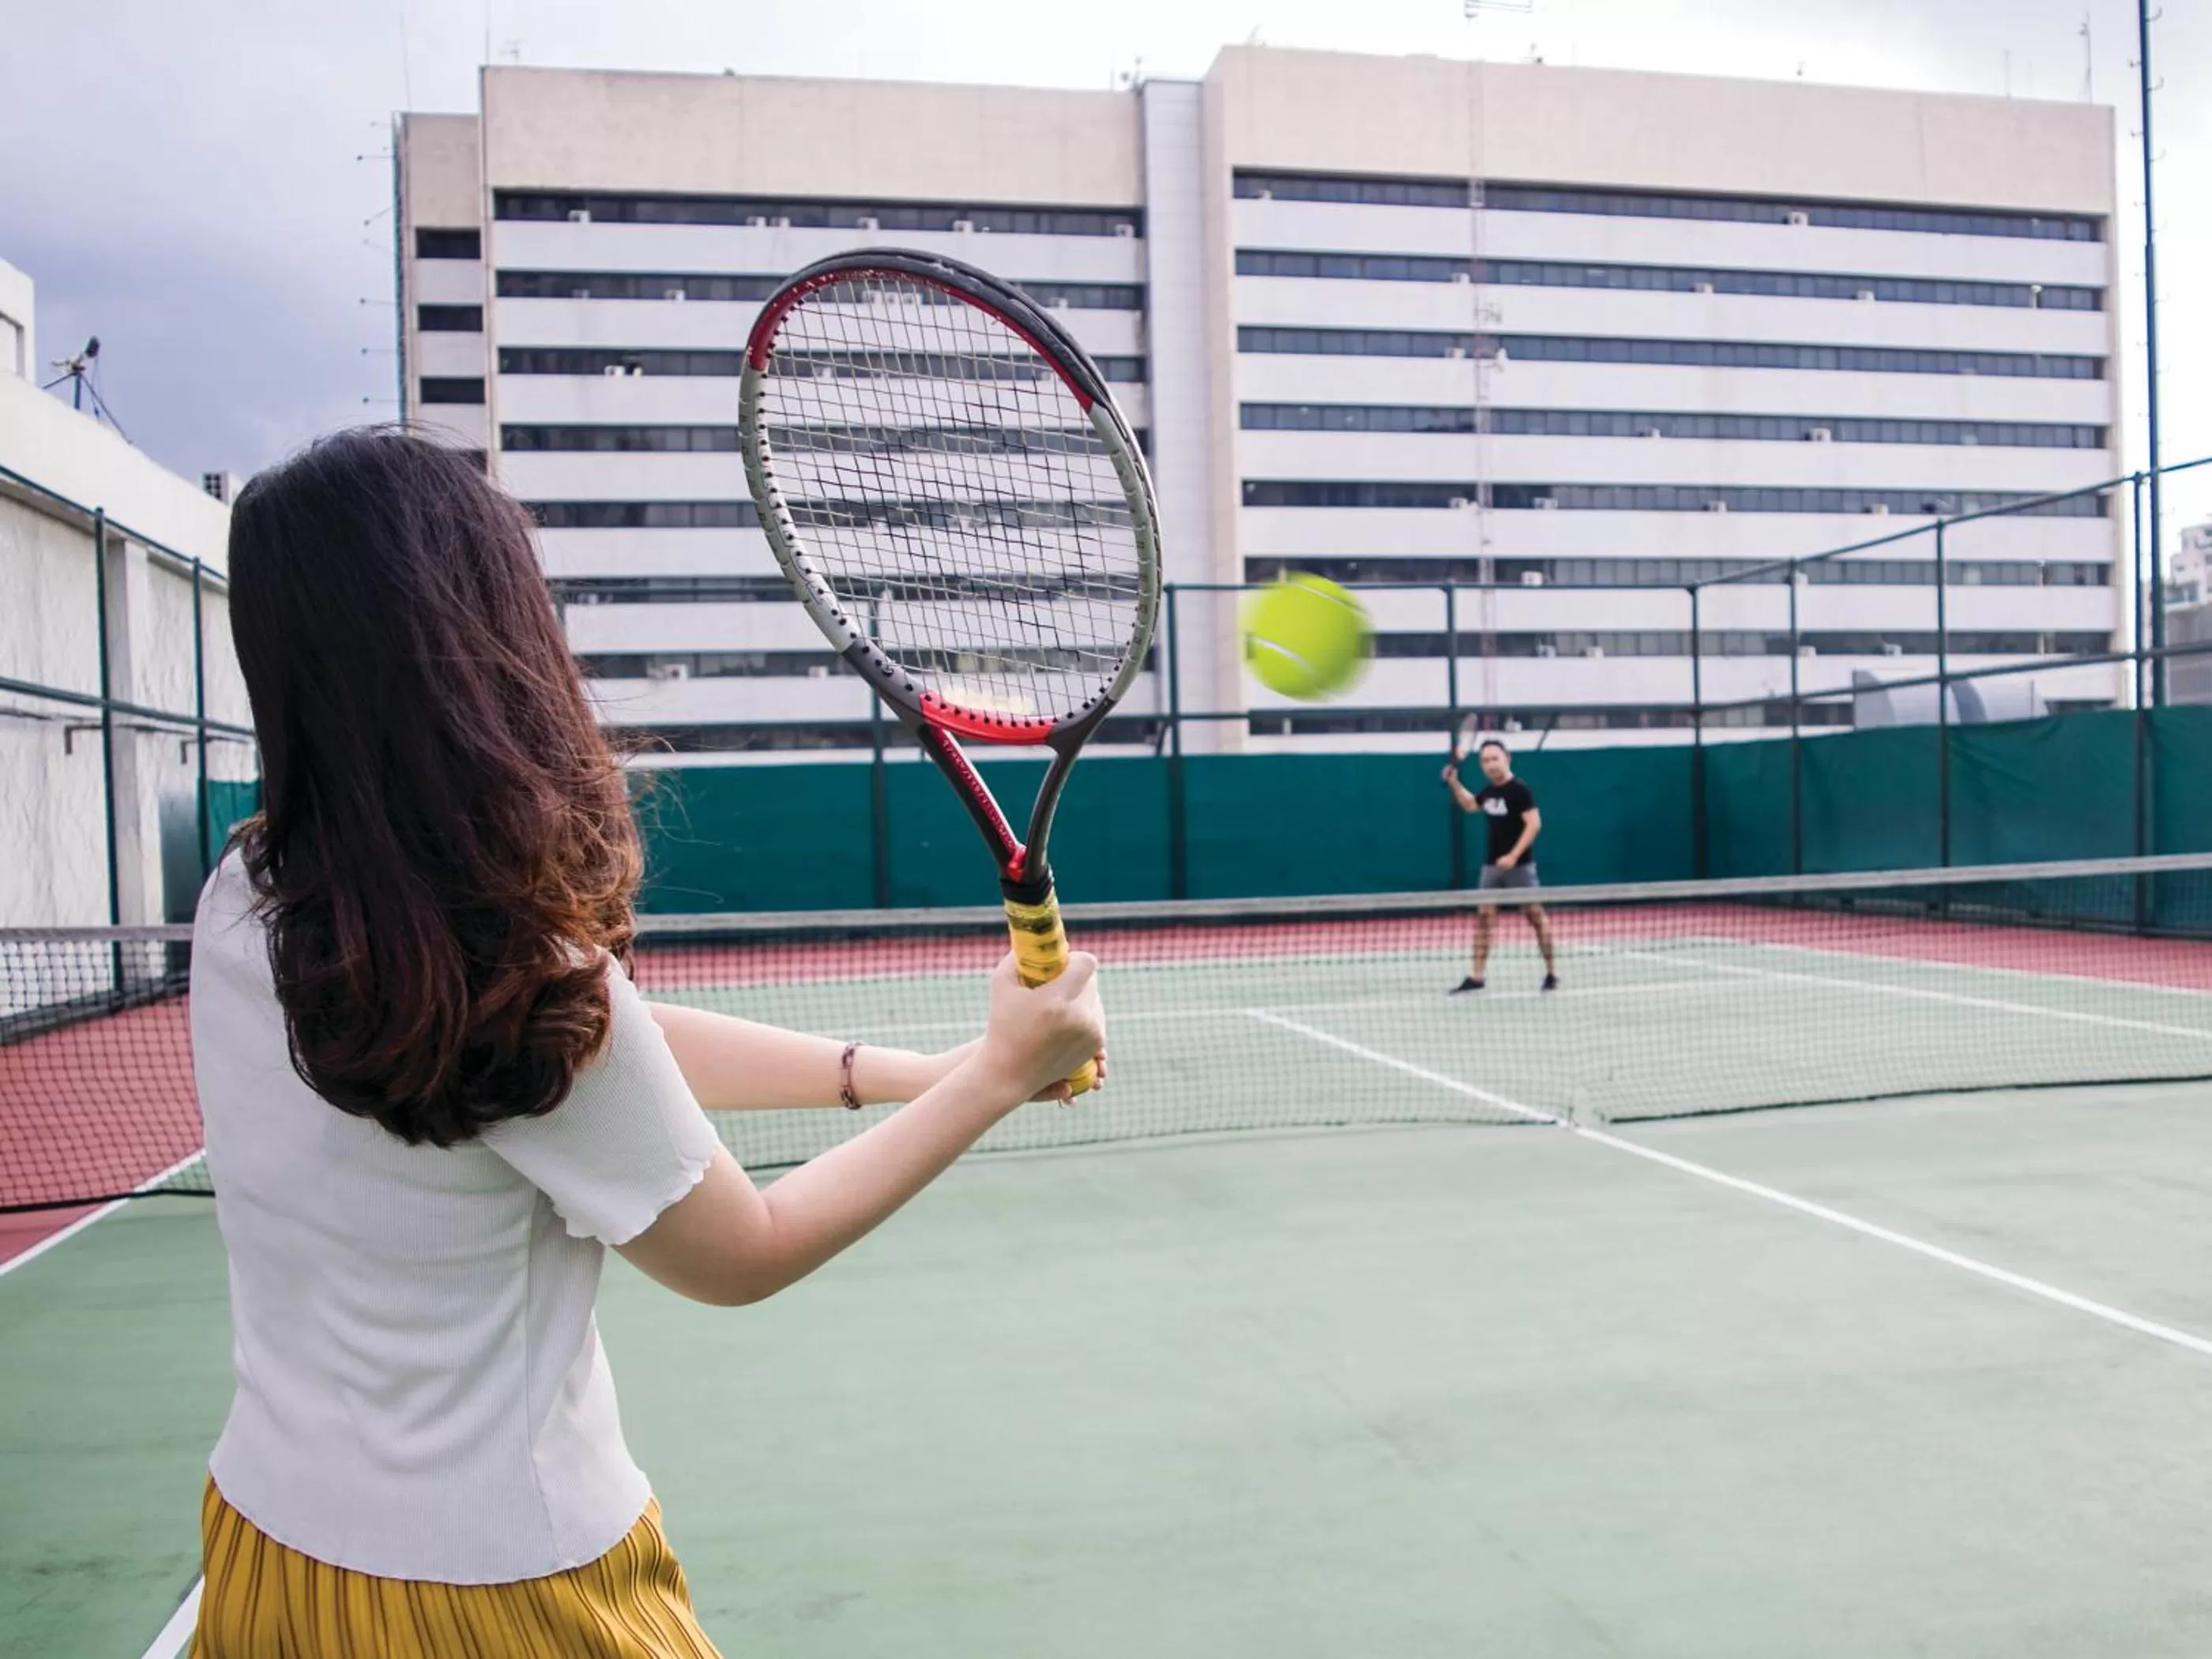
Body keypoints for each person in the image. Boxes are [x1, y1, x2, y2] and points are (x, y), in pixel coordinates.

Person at [189, 429, 1106, 1657]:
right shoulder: (510, 974)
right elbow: (743, 1251)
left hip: (270, 1556)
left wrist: (914, 1072)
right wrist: (998, 1077)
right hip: (512, 1593)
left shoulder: (257, 894)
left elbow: (578, 1051)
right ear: (485, 629)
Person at [1443, 739, 1558, 994]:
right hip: (1491, 867)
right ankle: (1476, 977)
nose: (1490, 764)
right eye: (1485, 760)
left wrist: (1514, 856)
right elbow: (1471, 804)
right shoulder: (1490, 791)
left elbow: (1534, 824)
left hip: (1520, 867)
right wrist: (1454, 783)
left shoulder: (1520, 790)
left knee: (1535, 918)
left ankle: (1551, 972)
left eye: (1495, 758)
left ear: (1507, 758)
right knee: (1484, 919)